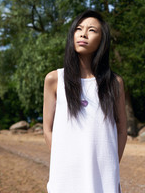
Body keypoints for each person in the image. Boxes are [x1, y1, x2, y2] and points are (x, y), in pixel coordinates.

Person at [43, 10, 127, 193]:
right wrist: (61, 158)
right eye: (78, 29)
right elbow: (48, 128)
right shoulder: (54, 79)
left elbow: (121, 129)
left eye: (92, 30)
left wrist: (110, 166)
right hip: (66, 174)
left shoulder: (114, 83)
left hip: (103, 176)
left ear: (102, 39)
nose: (83, 34)